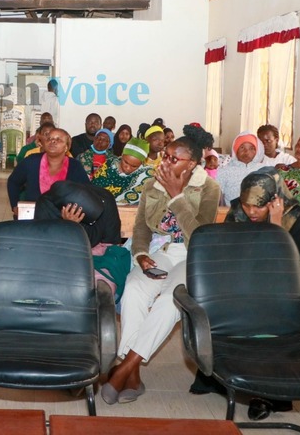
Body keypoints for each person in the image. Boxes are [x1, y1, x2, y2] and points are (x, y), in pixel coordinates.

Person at [191, 166, 300, 420]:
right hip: (246, 278)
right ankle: (227, 372)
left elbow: (290, 267)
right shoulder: (238, 211)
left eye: (259, 206)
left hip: (289, 284)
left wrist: (276, 225)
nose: (251, 212)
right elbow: (227, 254)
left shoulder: (296, 216)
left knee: (266, 314)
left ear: (275, 200)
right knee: (227, 303)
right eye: (247, 206)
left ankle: (267, 393)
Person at [101, 131, 220, 405]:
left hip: (192, 254)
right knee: (133, 289)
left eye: (174, 159)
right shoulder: (153, 184)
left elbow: (199, 234)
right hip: (160, 249)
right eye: (165, 156)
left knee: (171, 300)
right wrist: (141, 254)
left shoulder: (208, 188)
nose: (166, 162)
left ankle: (124, 369)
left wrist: (178, 197)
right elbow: (141, 225)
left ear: (191, 164)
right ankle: (132, 377)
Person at [6, 128, 88, 216]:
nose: (52, 141)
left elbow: (86, 191)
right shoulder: (31, 161)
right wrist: (15, 205)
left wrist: (75, 213)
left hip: (62, 220)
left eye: (58, 139)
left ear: (66, 147)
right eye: (49, 139)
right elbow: (13, 182)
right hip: (32, 216)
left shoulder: (75, 166)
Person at [92, 137, 153, 205]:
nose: (128, 168)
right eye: (126, 162)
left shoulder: (147, 175)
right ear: (122, 155)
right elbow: (93, 188)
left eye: (134, 166)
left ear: (142, 163)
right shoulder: (109, 164)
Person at [215, 131, 265, 205]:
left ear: (257, 151)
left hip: (259, 213)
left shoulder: (264, 170)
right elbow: (216, 197)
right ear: (235, 150)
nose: (246, 152)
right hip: (233, 214)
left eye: (252, 148)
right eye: (242, 147)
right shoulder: (224, 171)